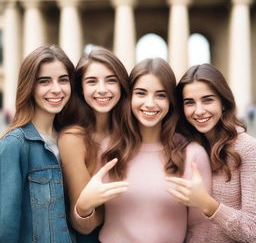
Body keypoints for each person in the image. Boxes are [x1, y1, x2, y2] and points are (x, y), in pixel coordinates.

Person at [73, 58, 212, 242]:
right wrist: (83, 207)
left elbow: (200, 229)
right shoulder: (109, 149)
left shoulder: (192, 154)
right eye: (141, 93)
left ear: (171, 100)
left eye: (160, 95)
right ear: (130, 97)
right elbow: (83, 227)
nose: (150, 103)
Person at [171, 63, 256, 242]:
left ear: (223, 103)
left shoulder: (248, 149)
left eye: (208, 99)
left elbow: (253, 231)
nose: (199, 110)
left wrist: (207, 204)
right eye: (190, 102)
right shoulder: (183, 147)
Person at [0, 45, 76, 243]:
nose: (56, 89)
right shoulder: (15, 145)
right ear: (29, 86)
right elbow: (5, 227)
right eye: (44, 81)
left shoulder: (70, 139)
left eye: (63, 80)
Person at [57, 47, 129, 242]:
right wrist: (86, 207)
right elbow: (83, 225)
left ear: (122, 85)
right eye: (92, 81)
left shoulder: (131, 134)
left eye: (111, 80)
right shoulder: (73, 139)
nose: (102, 89)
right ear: (80, 88)